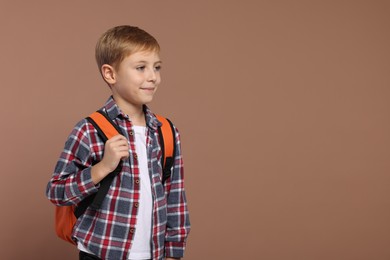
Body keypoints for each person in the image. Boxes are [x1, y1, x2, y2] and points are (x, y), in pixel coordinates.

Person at [46, 25, 190, 260]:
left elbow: (175, 196)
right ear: (110, 74)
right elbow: (56, 192)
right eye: (141, 68)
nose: (153, 77)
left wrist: (173, 251)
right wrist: (102, 168)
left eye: (157, 67)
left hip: (153, 254)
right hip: (100, 252)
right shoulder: (89, 129)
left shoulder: (166, 132)